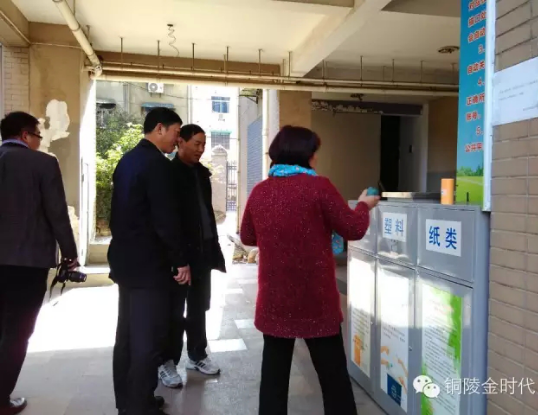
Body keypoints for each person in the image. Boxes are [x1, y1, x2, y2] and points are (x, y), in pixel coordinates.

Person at [240, 125, 380, 415]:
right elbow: (353, 228)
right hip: (316, 301)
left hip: (275, 300)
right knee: (333, 377)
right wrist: (364, 205)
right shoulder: (319, 187)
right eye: (314, 152)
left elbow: (248, 237)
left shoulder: (261, 191)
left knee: (274, 378)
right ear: (305, 154)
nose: (316, 157)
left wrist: (278, 236)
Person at [109, 108, 191, 415]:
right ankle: (139, 407)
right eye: (176, 132)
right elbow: (165, 219)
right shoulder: (157, 165)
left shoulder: (128, 160)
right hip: (149, 266)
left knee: (127, 338)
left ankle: (128, 402)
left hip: (126, 262)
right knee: (147, 340)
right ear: (159, 128)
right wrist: (180, 260)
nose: (177, 139)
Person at [0, 112, 79, 415]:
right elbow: (56, 212)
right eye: (37, 136)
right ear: (25, 135)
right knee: (17, 331)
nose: (38, 141)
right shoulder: (43, 163)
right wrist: (69, 254)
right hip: (27, 262)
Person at [158, 124, 226, 389]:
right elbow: (168, 221)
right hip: (180, 256)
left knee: (199, 307)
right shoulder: (168, 174)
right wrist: (177, 258)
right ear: (181, 142)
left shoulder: (201, 174)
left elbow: (205, 214)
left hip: (202, 252)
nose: (201, 149)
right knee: (174, 311)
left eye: (203, 144)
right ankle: (166, 361)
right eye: (196, 143)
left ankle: (197, 355)